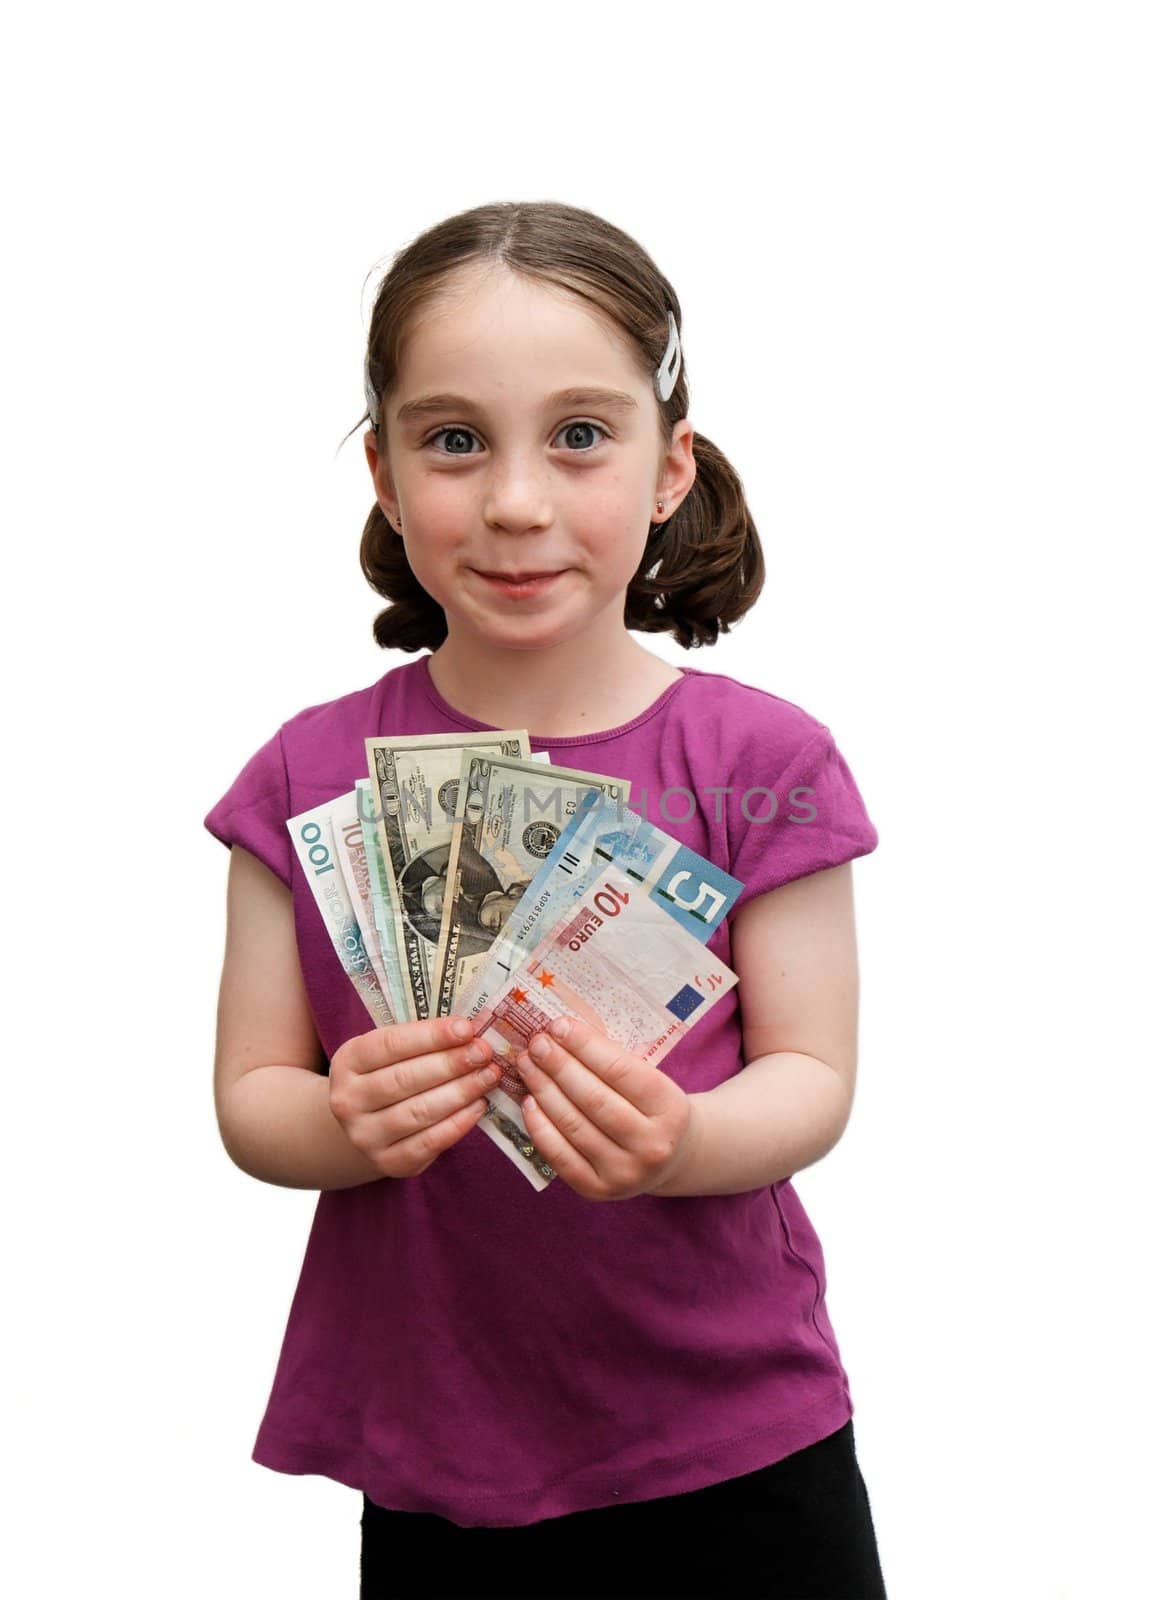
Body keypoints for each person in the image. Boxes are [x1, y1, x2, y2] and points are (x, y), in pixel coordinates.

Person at [205, 200, 888, 1599]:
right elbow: (250, 1096)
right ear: (387, 481)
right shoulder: (307, 774)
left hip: (736, 1445)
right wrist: (344, 1119)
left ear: (665, 470)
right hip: (444, 1457)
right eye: (454, 440)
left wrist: (684, 1138)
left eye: (579, 434)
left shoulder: (762, 760)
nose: (515, 500)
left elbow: (812, 1074)